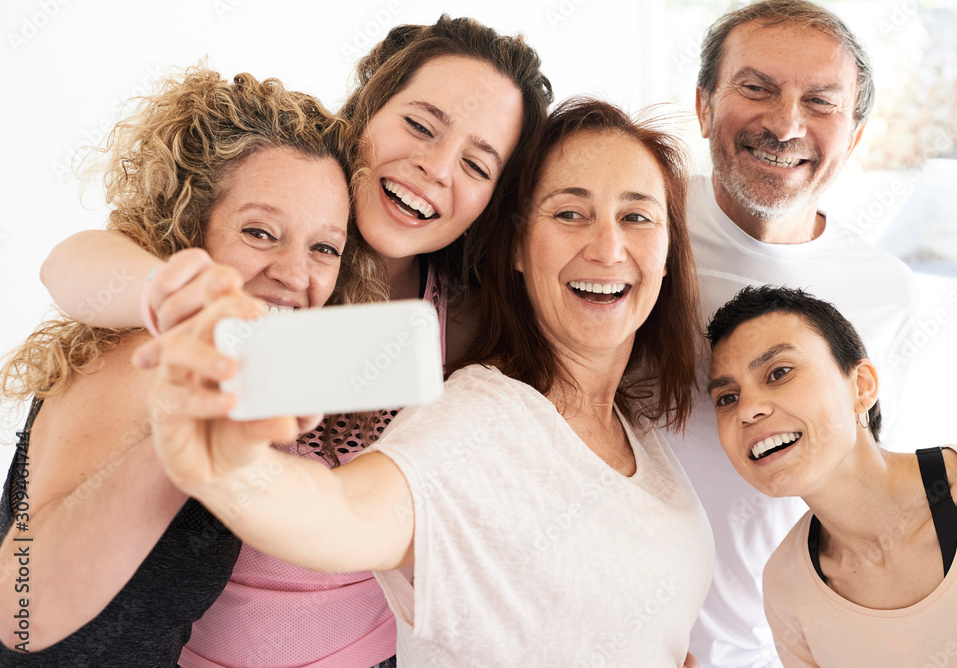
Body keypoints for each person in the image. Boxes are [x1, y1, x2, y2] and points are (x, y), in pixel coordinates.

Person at [40, 16, 553, 667]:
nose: (436, 167)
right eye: (421, 126)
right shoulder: (265, 248)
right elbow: (71, 264)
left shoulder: (464, 320)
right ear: (365, 112)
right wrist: (172, 295)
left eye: (477, 165)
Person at [142, 98, 713, 667]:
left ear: (667, 253)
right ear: (517, 247)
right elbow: (346, 513)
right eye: (569, 213)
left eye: (637, 217)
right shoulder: (482, 417)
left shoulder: (636, 427)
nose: (608, 248)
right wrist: (228, 466)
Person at [0, 67, 356, 664]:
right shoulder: (147, 363)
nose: (296, 274)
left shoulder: (224, 369)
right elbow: (23, 607)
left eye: (324, 247)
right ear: (193, 226)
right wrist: (178, 444)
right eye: (260, 232)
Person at [664, 2, 921, 666]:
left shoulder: (884, 292)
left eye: (821, 101)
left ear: (854, 135)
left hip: (766, 651)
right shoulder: (639, 225)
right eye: (756, 88)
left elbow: (859, 495)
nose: (785, 124)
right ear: (703, 105)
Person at [705, 285, 957, 666]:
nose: (748, 410)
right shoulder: (786, 588)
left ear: (861, 386)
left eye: (779, 373)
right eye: (727, 398)